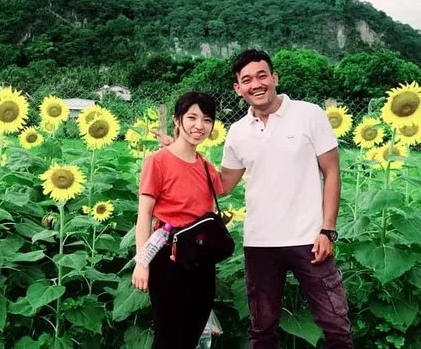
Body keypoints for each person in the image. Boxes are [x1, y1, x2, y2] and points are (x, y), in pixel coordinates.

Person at [218, 49, 353, 348]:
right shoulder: (237, 132)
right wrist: (180, 153)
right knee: (262, 330)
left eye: (262, 76)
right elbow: (223, 184)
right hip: (260, 243)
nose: (256, 84)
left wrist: (328, 230)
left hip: (310, 239)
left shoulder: (309, 114)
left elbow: (332, 172)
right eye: (247, 80)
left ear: (274, 77)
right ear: (238, 88)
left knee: (336, 325)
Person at [132, 91, 224, 349]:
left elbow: (220, 192)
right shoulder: (157, 162)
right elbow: (144, 214)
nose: (199, 125)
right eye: (192, 117)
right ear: (177, 120)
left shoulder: (206, 167)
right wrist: (142, 263)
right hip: (167, 256)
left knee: (193, 332)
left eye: (207, 120)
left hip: (201, 259)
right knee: (168, 335)